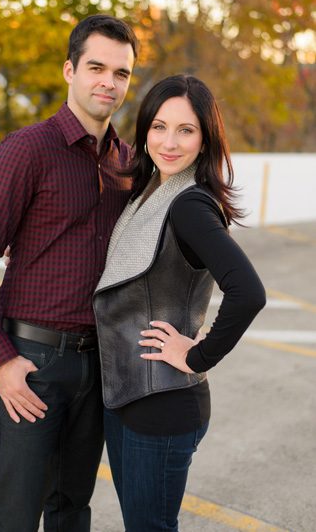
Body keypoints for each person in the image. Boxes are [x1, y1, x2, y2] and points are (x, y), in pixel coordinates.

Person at [0, 14, 138, 531]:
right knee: (14, 515)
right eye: (96, 67)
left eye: (121, 73)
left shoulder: (126, 162)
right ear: (69, 70)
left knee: (72, 509)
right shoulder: (27, 149)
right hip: (30, 361)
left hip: (96, 361)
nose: (108, 81)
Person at [93, 74, 266, 531]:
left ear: (205, 139)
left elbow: (249, 292)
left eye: (186, 130)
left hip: (164, 405)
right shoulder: (149, 191)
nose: (169, 142)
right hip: (126, 398)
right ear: (145, 129)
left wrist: (197, 354)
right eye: (159, 127)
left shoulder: (189, 204)